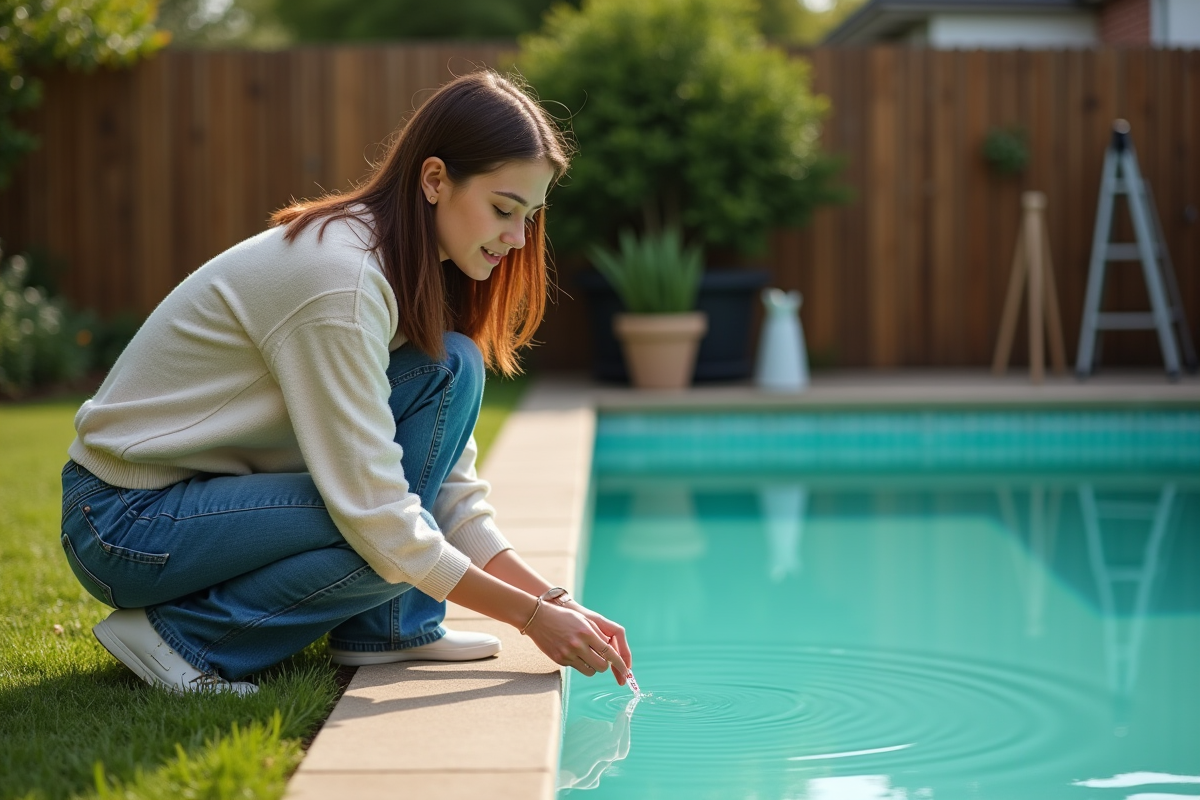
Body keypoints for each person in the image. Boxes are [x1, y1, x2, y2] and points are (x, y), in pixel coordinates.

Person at [58, 70, 632, 695]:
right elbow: (382, 516)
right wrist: (530, 618)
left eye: (529, 216)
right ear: (435, 179)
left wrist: (553, 598)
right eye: (503, 209)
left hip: (206, 499)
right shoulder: (342, 281)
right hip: (125, 522)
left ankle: (390, 629)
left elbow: (449, 491)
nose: (518, 239)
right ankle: (180, 636)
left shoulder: (414, 267)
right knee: (388, 536)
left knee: (454, 366)